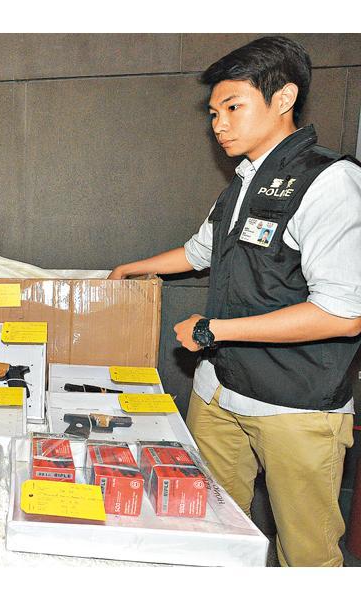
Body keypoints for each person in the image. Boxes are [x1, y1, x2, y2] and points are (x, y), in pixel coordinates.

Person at [109, 36, 361, 566]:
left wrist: (213, 331)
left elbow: (342, 314)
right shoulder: (241, 183)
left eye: (232, 107)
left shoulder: (329, 182)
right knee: (212, 534)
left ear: (284, 98)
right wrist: (132, 268)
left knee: (307, 555)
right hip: (220, 393)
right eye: (213, 113)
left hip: (294, 406)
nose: (218, 124)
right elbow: (198, 251)